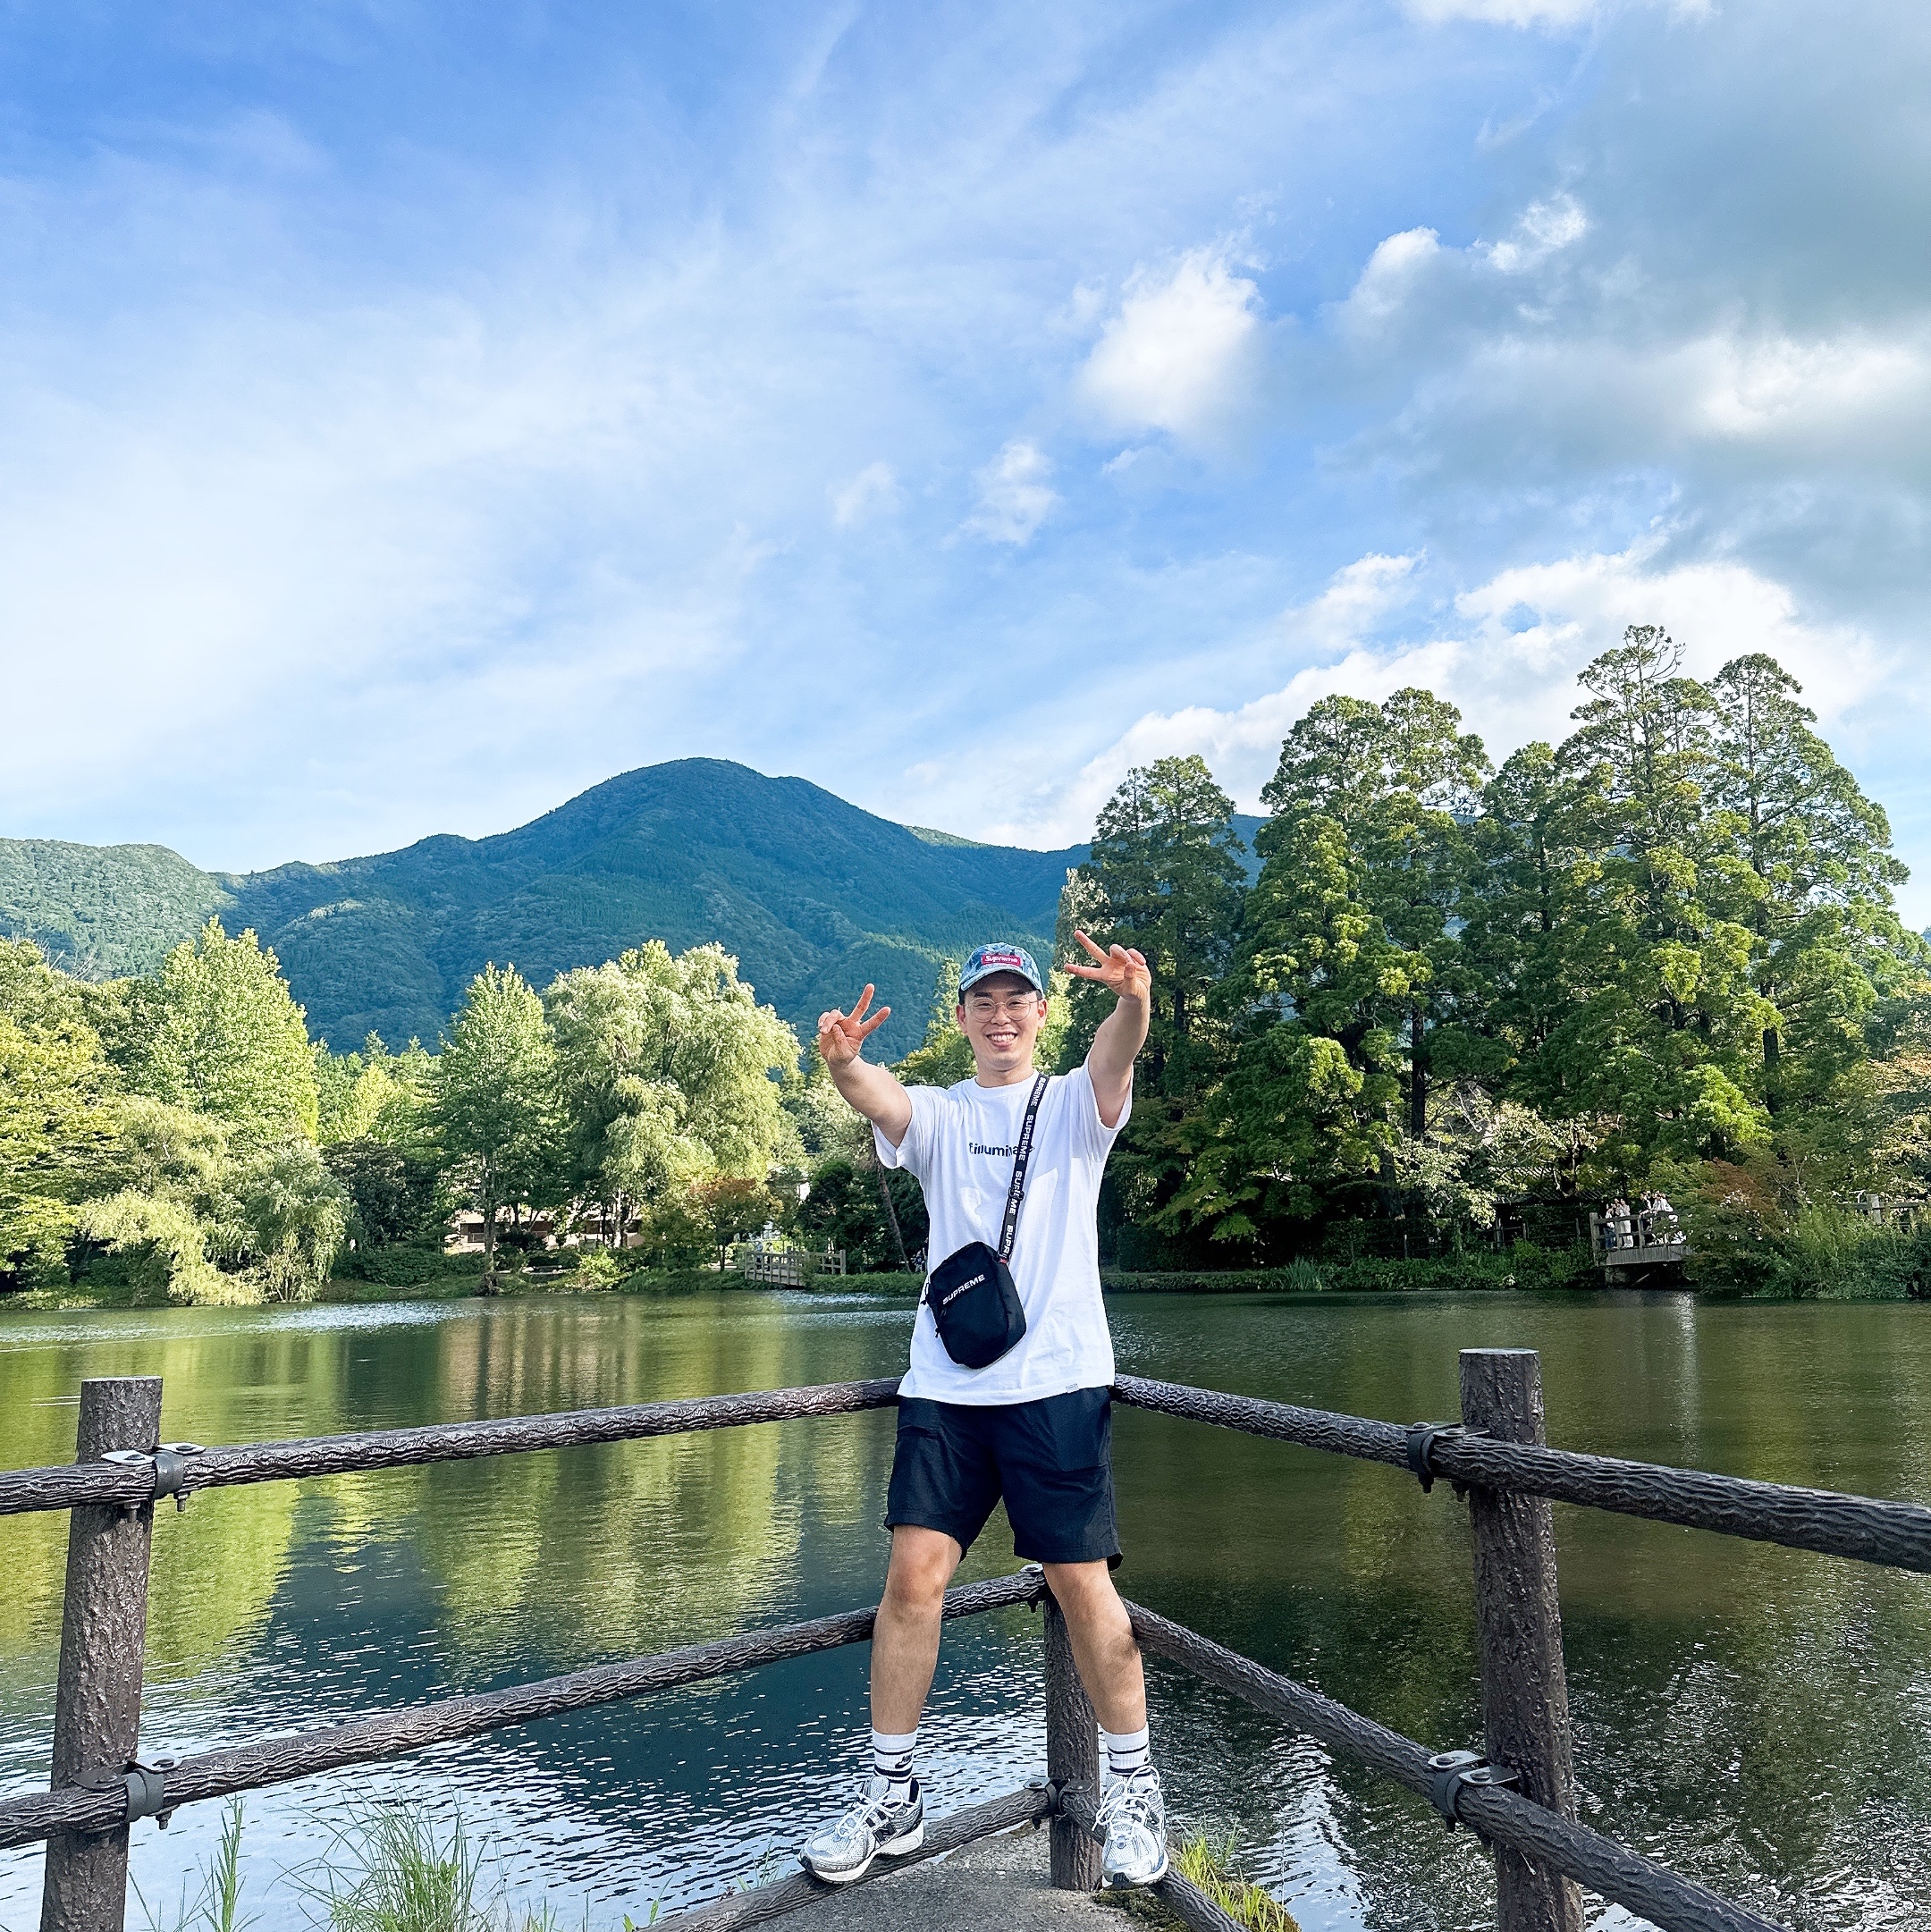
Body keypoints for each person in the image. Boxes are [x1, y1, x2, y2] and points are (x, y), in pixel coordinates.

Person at [798, 933, 1164, 1891]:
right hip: (947, 1390)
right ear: (961, 1017)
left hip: (1058, 1383)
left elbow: (1119, 1048)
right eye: (984, 1001)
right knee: (912, 1581)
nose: (1002, 1016)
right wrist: (842, 1063)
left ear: (1042, 1012)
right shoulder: (943, 1113)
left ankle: (1134, 1791)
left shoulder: (1077, 1103)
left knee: (1082, 1583)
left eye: (1017, 1000)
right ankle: (892, 1796)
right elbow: (880, 1097)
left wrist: (1134, 999)